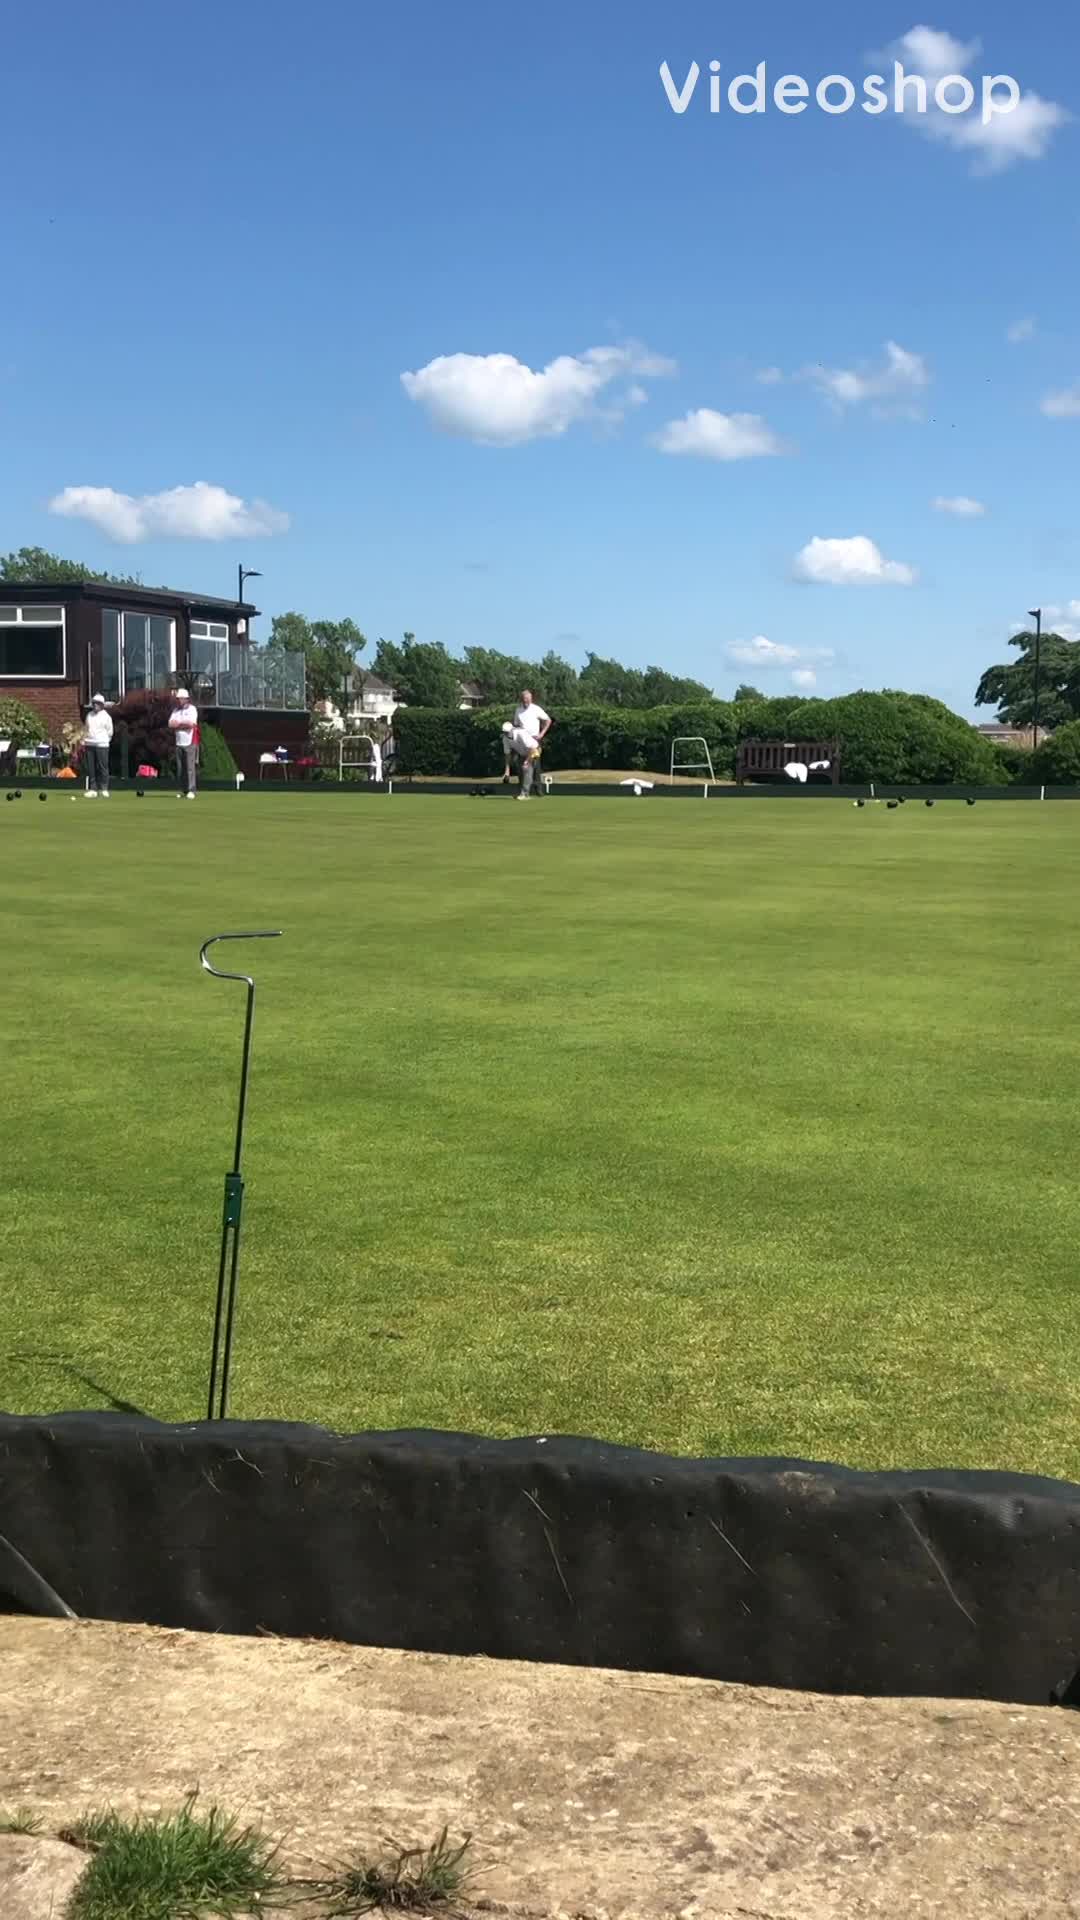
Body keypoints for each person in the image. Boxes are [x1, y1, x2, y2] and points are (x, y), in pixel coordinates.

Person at [513, 690, 552, 797]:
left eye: (528, 699)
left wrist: (542, 734)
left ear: (531, 699)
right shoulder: (518, 710)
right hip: (522, 742)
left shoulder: (536, 709)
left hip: (534, 740)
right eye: (525, 699)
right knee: (523, 765)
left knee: (535, 765)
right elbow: (516, 725)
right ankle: (523, 790)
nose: (526, 701)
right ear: (522, 699)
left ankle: (538, 790)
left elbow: (548, 720)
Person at [169, 687, 199, 798]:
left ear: (186, 699)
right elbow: (170, 724)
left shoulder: (192, 709)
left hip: (190, 741)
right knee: (181, 768)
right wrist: (182, 724)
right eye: (178, 699)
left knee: (190, 768)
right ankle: (183, 789)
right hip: (179, 742)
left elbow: (191, 724)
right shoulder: (175, 711)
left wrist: (179, 724)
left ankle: (192, 789)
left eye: (181, 699)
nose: (179, 701)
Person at [84, 694, 113, 798]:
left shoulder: (106, 717)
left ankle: (104, 788)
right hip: (89, 743)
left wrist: (104, 741)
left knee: (103, 767)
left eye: (97, 703)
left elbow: (110, 732)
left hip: (102, 744)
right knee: (91, 768)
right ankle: (93, 789)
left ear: (102, 704)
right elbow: (86, 729)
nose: (95, 705)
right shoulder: (89, 715)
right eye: (94, 703)